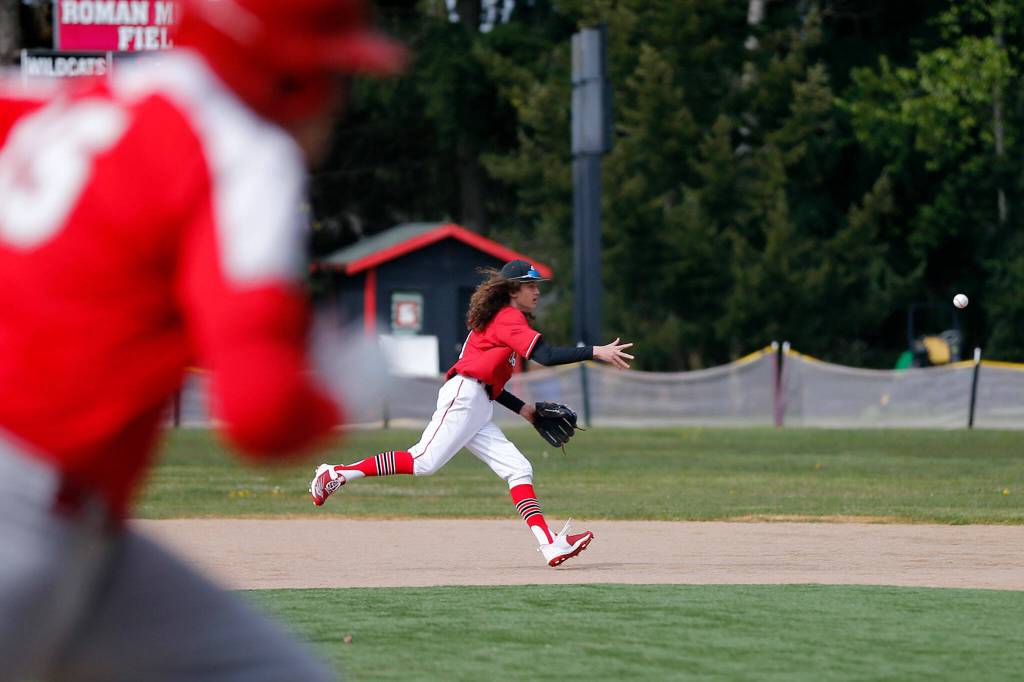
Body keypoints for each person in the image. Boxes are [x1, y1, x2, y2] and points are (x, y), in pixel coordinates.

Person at [0, 1, 405, 679]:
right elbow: (261, 413)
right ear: (285, 77)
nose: (338, 102)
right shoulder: (242, 150)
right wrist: (338, 389)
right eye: (333, 75)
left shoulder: (53, 101)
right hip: (24, 522)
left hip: (81, 537)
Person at [309, 259, 634, 567]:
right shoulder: (508, 318)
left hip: (478, 403)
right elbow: (545, 357)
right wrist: (596, 351)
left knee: (518, 468)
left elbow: (492, 383)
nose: (536, 291)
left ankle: (549, 543)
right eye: (529, 285)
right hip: (464, 396)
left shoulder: (504, 323)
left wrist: (526, 411)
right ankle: (336, 473)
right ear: (512, 290)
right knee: (422, 461)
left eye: (537, 285)